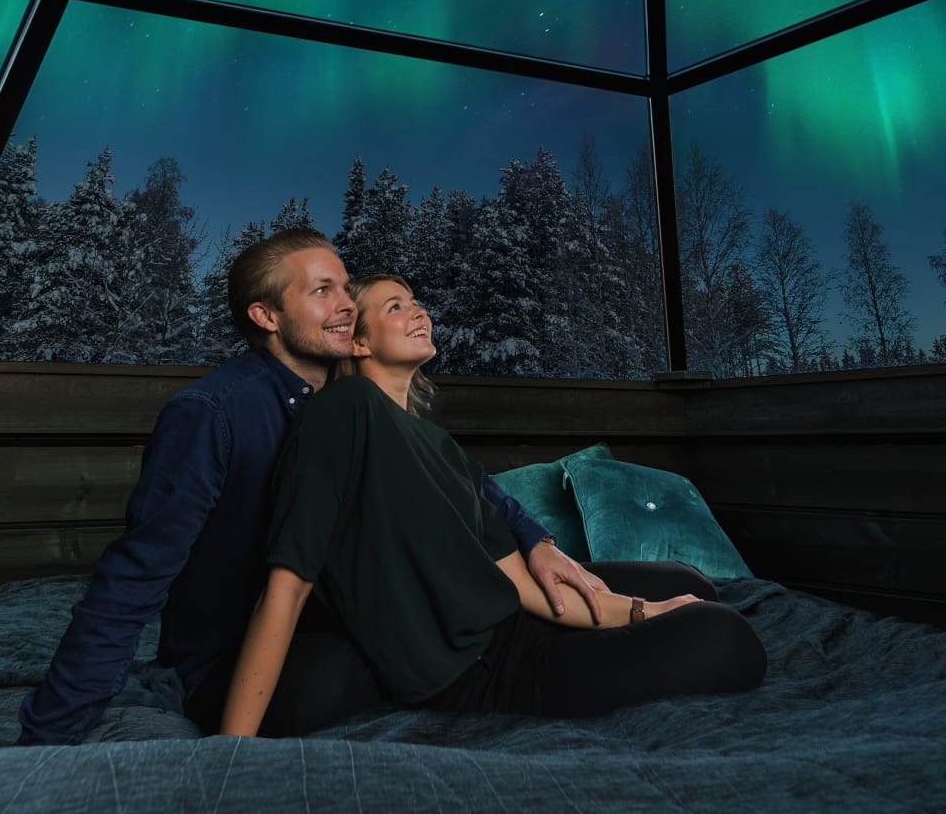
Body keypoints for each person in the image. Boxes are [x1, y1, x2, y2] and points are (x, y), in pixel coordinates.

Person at [16, 228, 627, 743]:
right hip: (241, 655)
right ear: (267, 316)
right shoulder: (213, 414)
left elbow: (474, 489)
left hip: (344, 619)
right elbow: (134, 576)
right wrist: (50, 737)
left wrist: (538, 541)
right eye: (322, 291)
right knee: (341, 674)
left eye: (344, 287)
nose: (345, 303)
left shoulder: (349, 404)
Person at [219, 274, 766, 735]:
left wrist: (613, 592)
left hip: (510, 621)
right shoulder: (346, 410)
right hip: (484, 667)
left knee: (688, 582)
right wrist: (228, 751)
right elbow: (287, 584)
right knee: (726, 635)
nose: (419, 313)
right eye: (395, 306)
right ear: (358, 342)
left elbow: (512, 563)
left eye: (415, 301)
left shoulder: (431, 442)